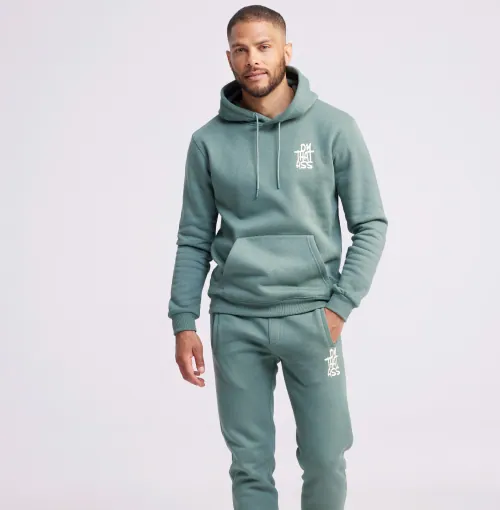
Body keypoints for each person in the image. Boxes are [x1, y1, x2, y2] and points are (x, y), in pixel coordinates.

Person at [168, 5, 388, 510]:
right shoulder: (207, 141)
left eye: (264, 47)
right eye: (241, 50)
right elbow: (193, 238)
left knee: (326, 457)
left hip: (312, 318)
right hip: (236, 320)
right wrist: (183, 320)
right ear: (229, 58)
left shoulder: (334, 127)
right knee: (249, 465)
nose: (253, 59)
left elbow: (371, 223)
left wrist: (339, 307)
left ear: (286, 51)